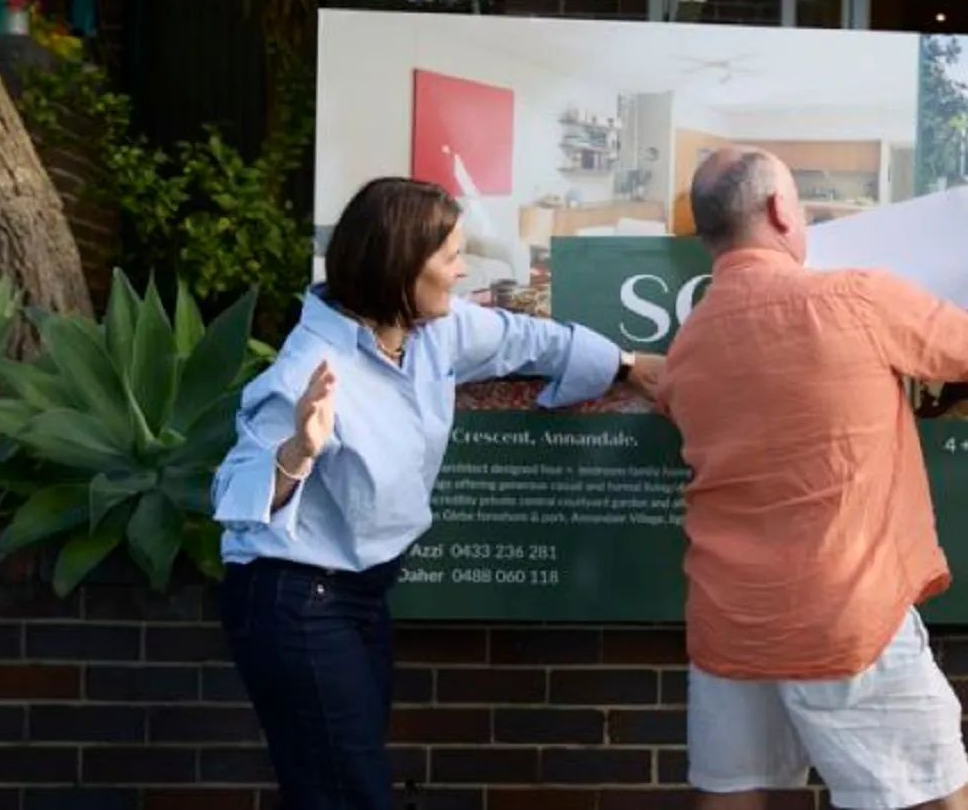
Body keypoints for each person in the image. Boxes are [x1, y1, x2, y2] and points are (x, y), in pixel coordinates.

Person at [211, 176, 664, 810]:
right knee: (348, 795)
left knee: (339, 787)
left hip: (359, 594)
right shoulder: (308, 371)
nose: (463, 269)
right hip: (293, 598)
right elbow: (235, 499)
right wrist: (297, 453)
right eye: (450, 256)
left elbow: (523, 338)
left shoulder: (430, 333)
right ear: (399, 264)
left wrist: (625, 363)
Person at [656, 148, 968, 810]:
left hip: (729, 619)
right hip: (844, 613)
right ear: (780, 209)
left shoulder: (689, 344)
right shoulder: (854, 296)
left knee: (733, 793)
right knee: (937, 799)